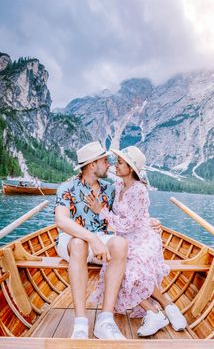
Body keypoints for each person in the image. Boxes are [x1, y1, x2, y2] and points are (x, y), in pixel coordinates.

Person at [85, 146, 187, 337]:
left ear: (130, 168)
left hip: (143, 238)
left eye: (120, 162)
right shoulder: (117, 186)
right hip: (125, 239)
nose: (116, 165)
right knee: (118, 266)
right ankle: (156, 311)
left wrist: (102, 212)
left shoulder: (140, 190)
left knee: (130, 268)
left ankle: (165, 307)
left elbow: (129, 223)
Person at [55, 142, 128, 340]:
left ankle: (105, 320)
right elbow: (61, 220)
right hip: (71, 239)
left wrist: (150, 222)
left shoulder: (110, 189)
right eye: (105, 160)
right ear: (92, 165)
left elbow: (124, 218)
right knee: (80, 244)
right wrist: (91, 237)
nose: (110, 164)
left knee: (120, 244)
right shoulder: (67, 188)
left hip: (99, 238)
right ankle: (80, 323)